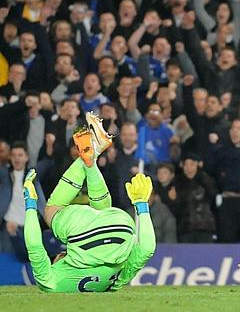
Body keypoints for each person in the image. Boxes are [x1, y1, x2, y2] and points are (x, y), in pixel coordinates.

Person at [22, 114, 156, 292]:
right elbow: (34, 246)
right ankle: (90, 159)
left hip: (121, 227)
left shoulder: (115, 283)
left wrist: (141, 205)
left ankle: (90, 159)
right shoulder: (50, 282)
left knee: (103, 211)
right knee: (51, 211)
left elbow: (147, 249)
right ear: (57, 259)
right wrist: (31, 205)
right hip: (87, 233)